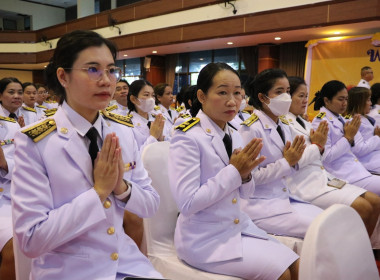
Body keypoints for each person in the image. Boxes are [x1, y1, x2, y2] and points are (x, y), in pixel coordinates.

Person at [11, 30, 162, 280]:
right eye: (93, 69)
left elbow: (151, 204)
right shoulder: (35, 142)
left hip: (125, 263)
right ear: (63, 76)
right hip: (68, 270)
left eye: (111, 70)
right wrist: (98, 192)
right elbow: (31, 240)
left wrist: (121, 187)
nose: (106, 81)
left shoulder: (122, 131)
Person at [169, 62, 299, 280]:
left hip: (237, 224)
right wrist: (234, 171)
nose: (233, 101)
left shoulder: (233, 132)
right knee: (282, 274)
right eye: (222, 92)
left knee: (296, 264)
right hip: (203, 238)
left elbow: (246, 194)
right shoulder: (187, 136)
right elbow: (187, 203)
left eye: (238, 93)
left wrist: (246, 175)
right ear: (202, 96)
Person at [285, 77, 380, 237]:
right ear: (327, 100)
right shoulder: (318, 121)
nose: (305, 100)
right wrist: (347, 138)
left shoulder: (312, 121)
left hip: (328, 176)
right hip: (316, 180)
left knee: (375, 203)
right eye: (300, 96)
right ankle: (354, 251)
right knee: (365, 207)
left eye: (306, 96)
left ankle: (367, 248)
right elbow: (323, 156)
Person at [239, 69, 323, 239]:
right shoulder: (250, 129)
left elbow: (292, 164)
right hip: (261, 205)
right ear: (262, 97)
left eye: (287, 91)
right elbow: (249, 178)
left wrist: (294, 161)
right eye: (279, 92)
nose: (286, 97)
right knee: (322, 229)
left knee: (330, 219)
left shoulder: (283, 124)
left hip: (284, 196)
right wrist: (287, 162)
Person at [311, 80, 380, 196]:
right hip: (342, 174)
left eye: (346, 99)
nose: (344, 103)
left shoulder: (340, 118)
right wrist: (347, 138)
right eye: (340, 99)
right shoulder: (321, 122)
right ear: (327, 100)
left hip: (356, 169)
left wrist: (349, 138)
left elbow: (352, 148)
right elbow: (326, 157)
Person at [0, 77, 22, 280]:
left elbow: (24, 165)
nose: (16, 96)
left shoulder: (14, 126)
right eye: (11, 92)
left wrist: (5, 164)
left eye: (19, 92)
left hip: (10, 197)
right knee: (14, 247)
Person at [346, 86, 380, 174]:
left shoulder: (364, 118)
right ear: (359, 102)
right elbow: (359, 150)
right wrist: (377, 137)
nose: (371, 103)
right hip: (368, 162)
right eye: (368, 100)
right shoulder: (353, 122)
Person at [126, 79, 167, 151]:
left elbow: (169, 142)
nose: (151, 99)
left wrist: (162, 139)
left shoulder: (158, 118)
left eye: (153, 95)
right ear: (133, 99)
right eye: (146, 95)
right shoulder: (128, 124)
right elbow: (134, 156)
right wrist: (153, 137)